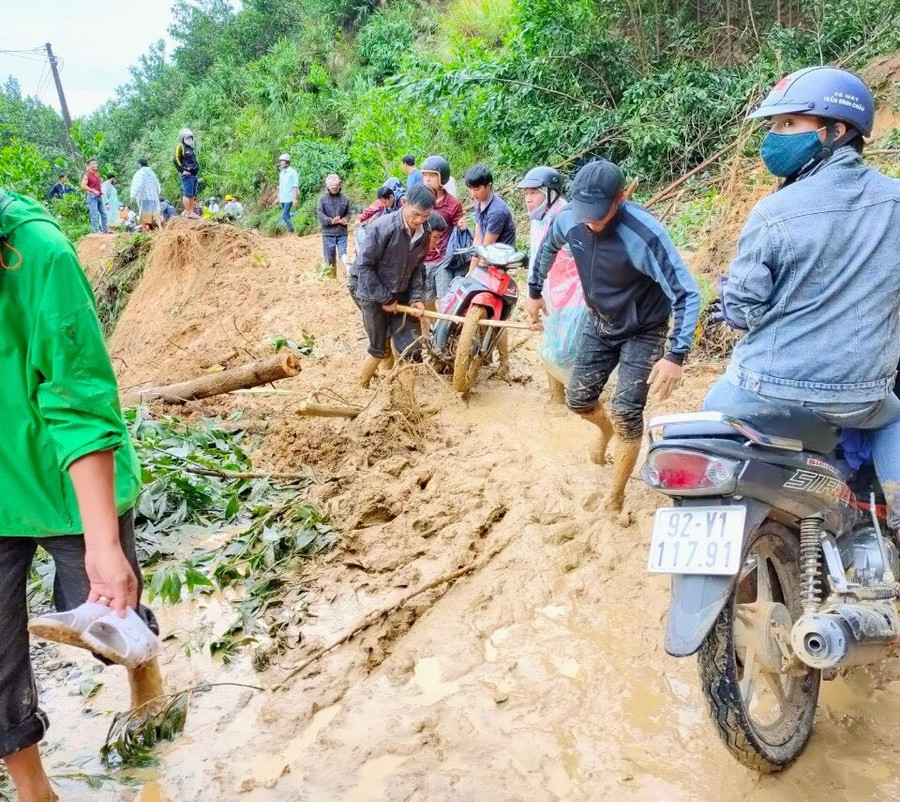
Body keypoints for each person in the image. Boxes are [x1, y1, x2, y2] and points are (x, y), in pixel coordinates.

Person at [0, 189, 163, 802]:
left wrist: (101, 540)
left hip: (69, 485)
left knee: (114, 624)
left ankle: (147, 698)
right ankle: (35, 792)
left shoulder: (38, 253)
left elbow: (76, 400)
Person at [705, 66, 900, 530]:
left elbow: (746, 310)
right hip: (861, 394)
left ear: (836, 131)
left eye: (789, 124)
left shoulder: (773, 211)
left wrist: (731, 301)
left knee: (709, 425)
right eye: (774, 126)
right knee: (894, 420)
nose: (773, 138)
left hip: (763, 389)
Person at [527, 159, 700, 517]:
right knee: (578, 399)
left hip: (644, 328)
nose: (590, 221)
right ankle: (604, 432)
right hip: (600, 321)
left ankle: (615, 496)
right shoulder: (568, 218)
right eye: (583, 211)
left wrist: (675, 355)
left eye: (598, 213)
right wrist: (533, 290)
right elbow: (546, 249)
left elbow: (686, 292)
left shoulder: (643, 234)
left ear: (619, 199)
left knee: (626, 411)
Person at [354, 183, 435, 389]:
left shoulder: (424, 232)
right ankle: (362, 385)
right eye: (415, 214)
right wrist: (385, 298)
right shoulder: (382, 228)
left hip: (403, 294)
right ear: (404, 203)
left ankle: (406, 398)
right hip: (372, 294)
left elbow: (418, 268)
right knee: (379, 346)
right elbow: (365, 266)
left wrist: (417, 298)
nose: (418, 221)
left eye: (424, 217)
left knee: (412, 349)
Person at [518, 165, 583, 404]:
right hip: (549, 293)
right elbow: (537, 258)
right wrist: (532, 293)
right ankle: (556, 399)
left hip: (574, 296)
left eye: (533, 192)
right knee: (550, 343)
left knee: (567, 349)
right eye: (526, 194)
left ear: (550, 193)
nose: (528, 199)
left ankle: (580, 399)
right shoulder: (538, 220)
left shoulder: (567, 217)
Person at [420, 155, 464, 307]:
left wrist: (462, 225)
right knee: (426, 301)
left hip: (443, 261)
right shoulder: (417, 201)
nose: (427, 178)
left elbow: (459, 229)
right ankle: (432, 330)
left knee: (445, 300)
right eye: (425, 174)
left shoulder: (453, 204)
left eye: (432, 175)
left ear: (442, 178)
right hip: (421, 259)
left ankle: (443, 330)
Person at [463, 163, 517, 272]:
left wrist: (474, 271)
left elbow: (486, 246)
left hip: (503, 262)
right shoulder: (478, 202)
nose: (473, 193)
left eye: (477, 189)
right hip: (488, 255)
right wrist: (471, 270)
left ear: (489, 186)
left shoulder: (497, 211)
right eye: (470, 189)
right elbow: (478, 237)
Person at [317, 173, 351, 276]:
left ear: (339, 186)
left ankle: (348, 274)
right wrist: (331, 221)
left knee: (343, 254)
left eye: (336, 187)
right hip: (328, 233)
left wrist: (346, 219)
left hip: (342, 232)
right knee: (329, 257)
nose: (334, 189)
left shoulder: (345, 199)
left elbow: (348, 212)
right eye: (332, 187)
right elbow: (320, 214)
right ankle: (332, 278)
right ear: (327, 186)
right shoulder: (322, 199)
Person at [173, 127, 200, 218]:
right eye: (187, 137)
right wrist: (182, 170)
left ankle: (191, 211)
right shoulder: (180, 146)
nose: (189, 139)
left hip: (194, 174)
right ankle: (189, 212)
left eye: (190, 137)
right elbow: (176, 159)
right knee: (187, 194)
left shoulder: (190, 148)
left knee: (192, 194)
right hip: (187, 175)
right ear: (182, 138)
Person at [129, 158, 162, 232]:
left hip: (144, 197)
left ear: (139, 164)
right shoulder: (152, 173)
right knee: (155, 213)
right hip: (154, 197)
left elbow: (136, 184)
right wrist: (157, 194)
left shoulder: (139, 173)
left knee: (144, 214)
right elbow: (158, 185)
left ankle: (145, 232)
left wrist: (133, 196)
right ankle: (160, 228)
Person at [80, 159, 109, 234]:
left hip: (99, 196)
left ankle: (105, 229)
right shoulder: (87, 175)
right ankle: (96, 230)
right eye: (93, 164)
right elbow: (83, 186)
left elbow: (98, 184)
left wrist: (101, 190)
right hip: (92, 197)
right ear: (89, 166)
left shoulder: (97, 174)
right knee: (94, 214)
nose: (95, 165)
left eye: (96, 163)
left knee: (104, 213)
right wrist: (93, 190)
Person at [277, 153, 300, 233]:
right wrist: (278, 198)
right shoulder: (282, 173)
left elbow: (296, 186)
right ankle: (290, 234)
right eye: (280, 161)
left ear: (287, 162)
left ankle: (292, 230)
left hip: (289, 198)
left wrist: (295, 199)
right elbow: (280, 186)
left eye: (282, 161)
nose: (281, 163)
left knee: (284, 215)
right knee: (287, 216)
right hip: (283, 198)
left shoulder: (292, 172)